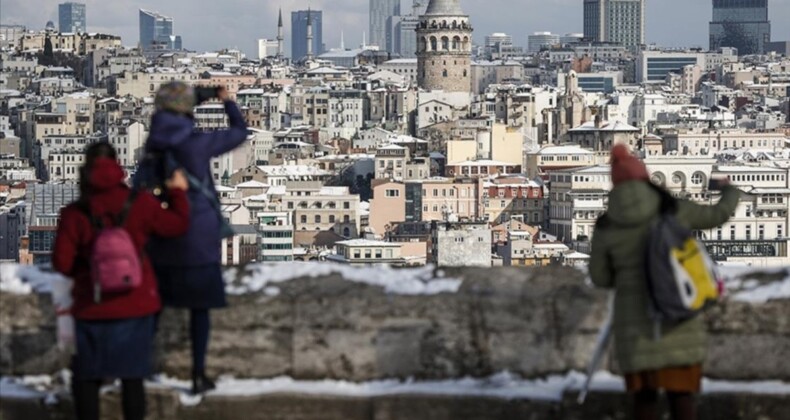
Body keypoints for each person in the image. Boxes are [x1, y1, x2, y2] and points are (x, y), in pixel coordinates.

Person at [589, 145, 740, 420]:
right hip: (677, 317)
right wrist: (729, 191)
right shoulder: (672, 208)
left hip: (635, 328)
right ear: (645, 176)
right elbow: (717, 215)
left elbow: (600, 277)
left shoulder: (607, 225)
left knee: (644, 402)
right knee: (682, 399)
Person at [53, 142, 190, 420]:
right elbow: (175, 225)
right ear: (117, 165)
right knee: (132, 378)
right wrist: (177, 192)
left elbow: (62, 263)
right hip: (135, 303)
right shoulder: (138, 203)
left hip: (93, 304)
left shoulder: (75, 212)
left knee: (87, 377)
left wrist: (88, 270)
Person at [144, 81, 248, 394]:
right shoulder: (195, 143)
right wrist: (225, 102)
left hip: (161, 236)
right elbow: (239, 132)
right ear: (188, 108)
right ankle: (198, 374)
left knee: (153, 308)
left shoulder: (153, 143)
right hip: (197, 238)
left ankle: (143, 368)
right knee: (199, 310)